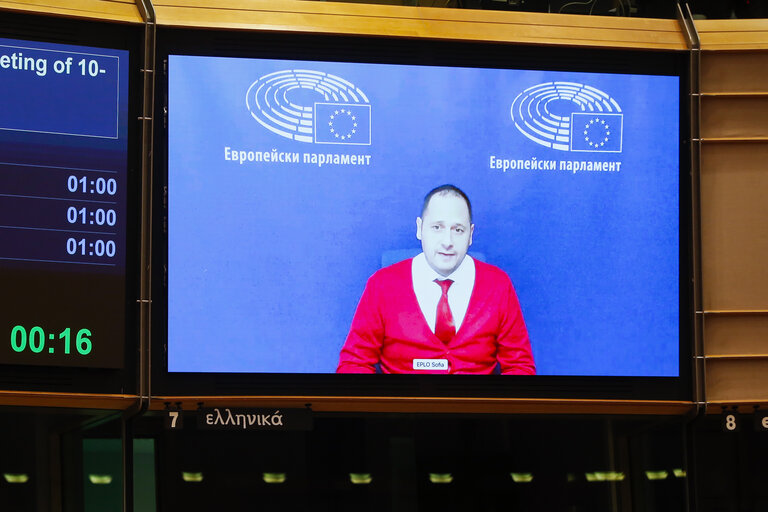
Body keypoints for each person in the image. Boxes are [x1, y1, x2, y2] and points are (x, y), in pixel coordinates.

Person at [337, 185, 535, 375]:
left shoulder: (498, 285)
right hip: (401, 406)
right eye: (437, 227)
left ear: (470, 235)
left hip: (476, 407)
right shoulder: (382, 285)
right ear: (420, 229)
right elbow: (354, 363)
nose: (447, 242)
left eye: (458, 230)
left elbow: (520, 366)